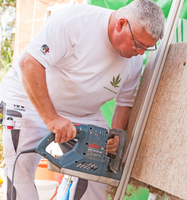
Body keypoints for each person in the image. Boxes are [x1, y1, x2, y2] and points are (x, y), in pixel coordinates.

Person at [0, 0, 165, 199]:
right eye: (138, 44)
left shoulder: (134, 61)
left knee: (102, 174)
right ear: (120, 24)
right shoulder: (75, 21)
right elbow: (29, 63)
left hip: (84, 113)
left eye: (147, 48)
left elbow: (124, 104)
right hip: (29, 100)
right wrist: (52, 119)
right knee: (21, 173)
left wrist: (116, 135)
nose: (140, 52)